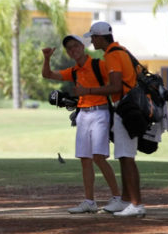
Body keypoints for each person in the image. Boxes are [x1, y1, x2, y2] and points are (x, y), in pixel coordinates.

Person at [42, 34, 126, 214]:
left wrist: (87, 91)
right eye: (69, 48)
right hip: (83, 116)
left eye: (75, 46)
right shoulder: (74, 71)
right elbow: (47, 74)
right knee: (85, 160)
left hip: (100, 112)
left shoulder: (99, 64)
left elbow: (115, 85)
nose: (73, 50)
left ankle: (117, 197)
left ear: (83, 46)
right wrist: (47, 58)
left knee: (98, 157)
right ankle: (89, 202)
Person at [74, 21, 146, 217]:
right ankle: (124, 201)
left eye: (93, 38)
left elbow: (115, 87)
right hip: (128, 107)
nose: (92, 42)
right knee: (124, 156)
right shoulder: (120, 51)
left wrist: (87, 90)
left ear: (99, 37)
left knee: (127, 158)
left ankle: (137, 204)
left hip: (125, 107)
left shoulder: (113, 55)